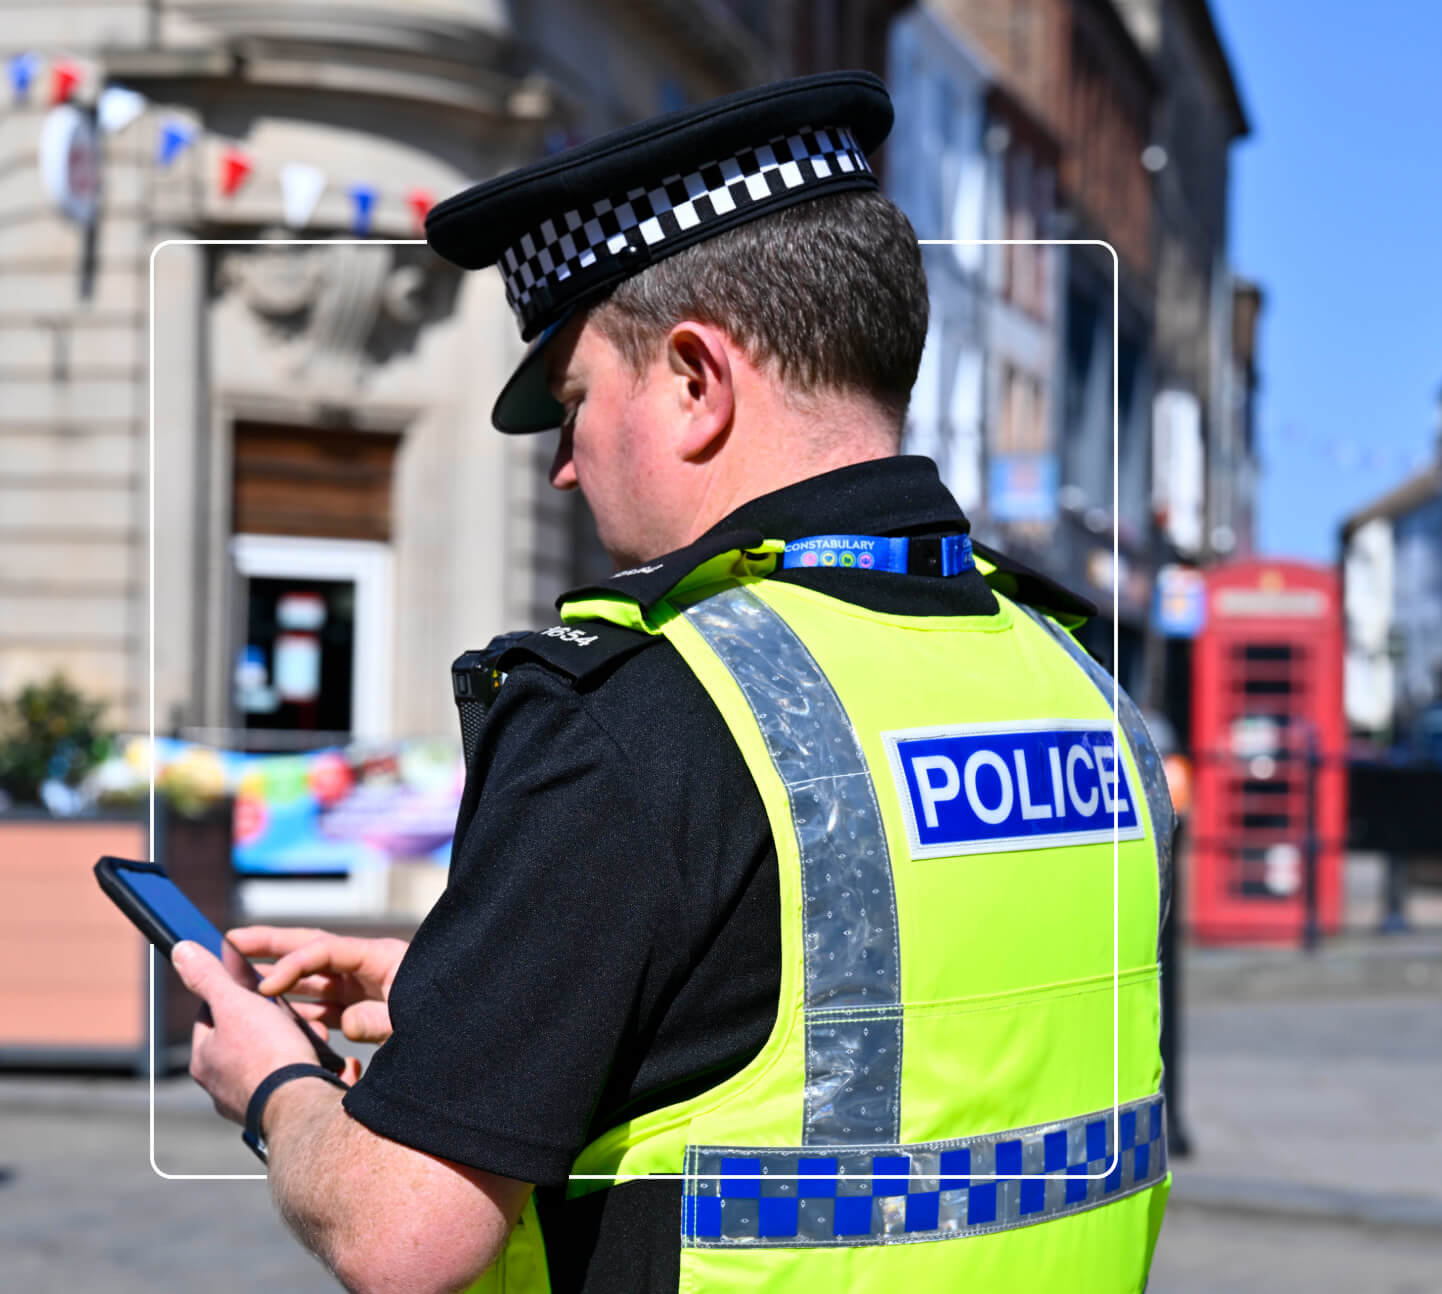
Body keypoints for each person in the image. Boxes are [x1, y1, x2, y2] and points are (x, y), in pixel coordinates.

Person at [174, 70, 1173, 1293]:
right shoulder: (1080, 691)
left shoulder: (637, 718)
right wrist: (479, 994)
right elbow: (908, 1023)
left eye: (576, 399)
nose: (561, 465)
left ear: (696, 381)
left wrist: (272, 1082)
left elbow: (403, 1234)